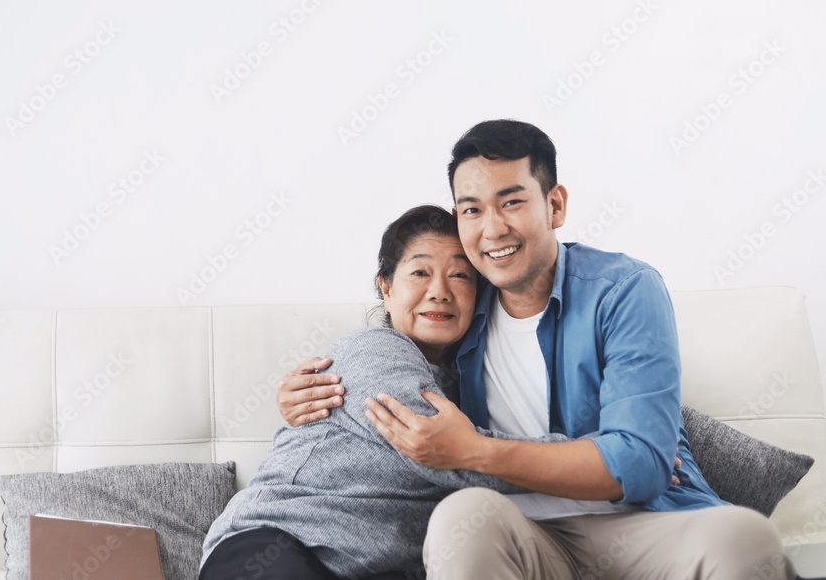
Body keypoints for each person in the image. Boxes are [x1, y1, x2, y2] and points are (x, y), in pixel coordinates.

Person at [278, 120, 794, 579]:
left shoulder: (623, 289)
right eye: (472, 209)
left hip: (645, 526)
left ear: (555, 204)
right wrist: (307, 397)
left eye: (512, 202)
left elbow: (640, 467)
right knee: (459, 519)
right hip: (520, 534)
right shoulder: (459, 310)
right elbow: (397, 359)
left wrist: (475, 451)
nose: (493, 228)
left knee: (742, 539)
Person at [199, 205, 572, 580]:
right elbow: (436, 450)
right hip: (278, 543)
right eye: (420, 273)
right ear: (387, 287)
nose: (440, 292)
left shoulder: (473, 383)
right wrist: (588, 460)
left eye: (460, 275)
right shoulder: (374, 348)